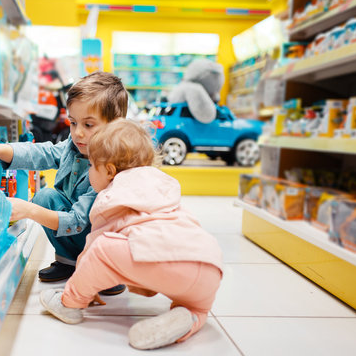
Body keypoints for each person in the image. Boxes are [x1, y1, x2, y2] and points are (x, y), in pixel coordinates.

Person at [39, 119, 224, 350]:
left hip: (168, 264)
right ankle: (192, 317)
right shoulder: (160, 182)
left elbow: (96, 248)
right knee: (196, 306)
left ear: (109, 170)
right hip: (210, 266)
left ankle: (70, 305)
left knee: (101, 248)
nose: (89, 172)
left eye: (91, 166)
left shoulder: (111, 194)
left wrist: (84, 286)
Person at [0, 72, 128, 294]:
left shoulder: (110, 168)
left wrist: (29, 211)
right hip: (80, 230)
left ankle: (106, 271)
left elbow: (78, 220)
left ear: (114, 126)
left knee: (43, 205)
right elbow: (42, 152)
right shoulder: (73, 148)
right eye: (73, 123)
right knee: (45, 196)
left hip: (103, 238)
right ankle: (68, 261)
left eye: (89, 125)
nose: (78, 132)